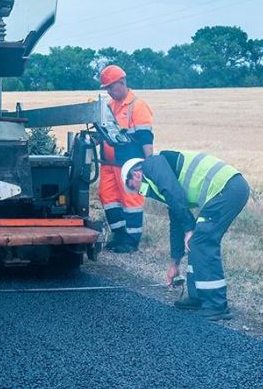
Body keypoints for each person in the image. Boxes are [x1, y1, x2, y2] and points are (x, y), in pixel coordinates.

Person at [121, 153, 249, 321]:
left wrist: (190, 228)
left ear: (136, 174)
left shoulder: (153, 164)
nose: (139, 193)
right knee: (195, 243)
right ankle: (198, 297)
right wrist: (174, 264)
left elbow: (174, 195)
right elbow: (176, 220)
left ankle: (217, 306)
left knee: (201, 242)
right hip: (227, 190)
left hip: (228, 189)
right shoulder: (163, 177)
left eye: (134, 187)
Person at [98, 64, 154, 253]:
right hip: (109, 163)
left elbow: (146, 137)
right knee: (108, 197)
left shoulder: (137, 105)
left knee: (131, 201)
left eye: (110, 88)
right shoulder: (109, 106)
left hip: (129, 165)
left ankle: (131, 240)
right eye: (106, 89)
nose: (109, 92)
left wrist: (151, 164)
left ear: (121, 83)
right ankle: (119, 235)